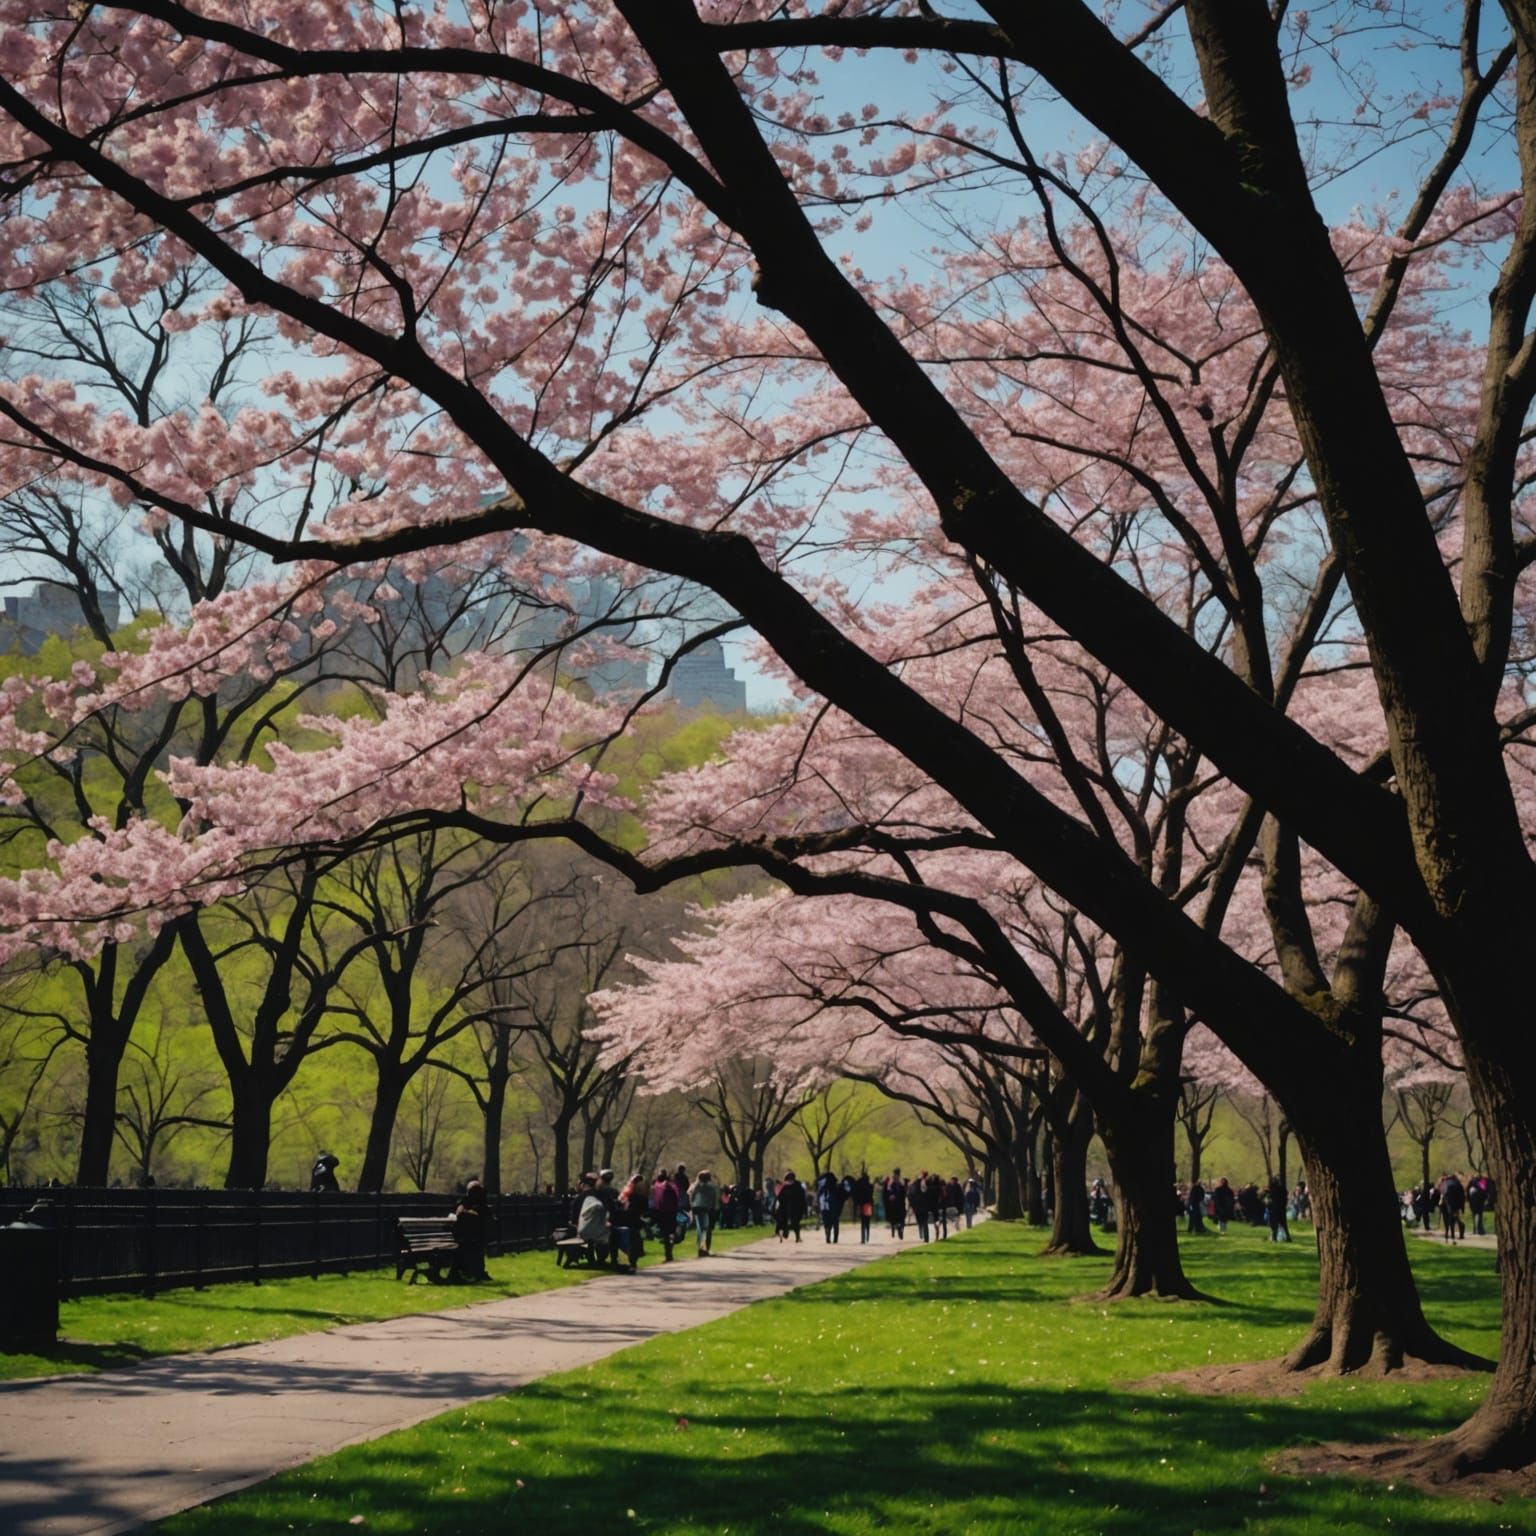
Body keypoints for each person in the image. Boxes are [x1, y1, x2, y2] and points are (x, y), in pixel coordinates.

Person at [452, 1176, 489, 1280]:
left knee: (476, 1245)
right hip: (465, 1237)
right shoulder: (465, 1202)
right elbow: (460, 1213)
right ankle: (473, 1272)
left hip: (472, 1237)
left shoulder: (480, 1204)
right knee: (473, 1246)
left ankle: (476, 1272)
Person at [651, 1166, 681, 1261]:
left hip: (661, 1211)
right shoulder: (672, 1186)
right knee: (669, 1232)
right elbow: (677, 1197)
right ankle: (669, 1251)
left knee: (665, 1233)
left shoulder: (656, 1186)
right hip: (671, 1211)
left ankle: (668, 1253)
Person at [690, 1169, 720, 1256]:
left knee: (699, 1229)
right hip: (705, 1208)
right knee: (706, 1229)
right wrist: (714, 1208)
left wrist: (692, 1206)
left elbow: (692, 1197)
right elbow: (714, 1199)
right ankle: (704, 1249)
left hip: (696, 1208)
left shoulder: (695, 1186)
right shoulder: (711, 1187)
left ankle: (700, 1248)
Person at [776, 1171, 807, 1242]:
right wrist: (804, 1210)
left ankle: (788, 1233)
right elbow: (803, 1199)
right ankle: (797, 1236)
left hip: (787, 1208)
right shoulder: (798, 1186)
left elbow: (779, 1197)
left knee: (787, 1222)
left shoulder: (784, 1187)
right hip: (795, 1208)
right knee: (796, 1223)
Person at [1440, 1172, 1466, 1243]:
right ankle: (1453, 1236)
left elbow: (1441, 1193)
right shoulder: (1457, 1184)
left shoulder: (1444, 1183)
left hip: (1444, 1203)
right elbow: (1462, 1197)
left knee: (1446, 1219)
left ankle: (1446, 1235)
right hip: (1454, 1205)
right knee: (1453, 1220)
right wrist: (1462, 1208)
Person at [852, 1170, 875, 1244]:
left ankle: (863, 1238)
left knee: (863, 1222)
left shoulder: (860, 1185)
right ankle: (867, 1236)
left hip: (862, 1204)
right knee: (867, 1221)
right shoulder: (869, 1186)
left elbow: (855, 1191)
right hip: (868, 1205)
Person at [1265, 1176, 1290, 1242]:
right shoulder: (1283, 1189)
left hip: (1273, 1209)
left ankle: (1274, 1237)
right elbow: (1285, 1198)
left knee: (1273, 1224)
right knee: (1283, 1224)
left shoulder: (1271, 1190)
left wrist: (1268, 1205)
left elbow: (1269, 1200)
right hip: (1281, 1209)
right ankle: (1288, 1237)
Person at [885, 1171, 907, 1239]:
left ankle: (898, 1228)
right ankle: (900, 1228)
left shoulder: (892, 1182)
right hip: (899, 1203)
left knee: (897, 1218)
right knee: (901, 1218)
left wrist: (891, 1196)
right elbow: (904, 1191)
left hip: (896, 1204)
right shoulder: (900, 1182)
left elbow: (888, 1191)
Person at [910, 1170, 932, 1243]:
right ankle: (926, 1237)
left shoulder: (916, 1182)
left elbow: (911, 1193)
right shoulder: (928, 1183)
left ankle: (922, 1235)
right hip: (925, 1205)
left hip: (918, 1205)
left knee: (921, 1221)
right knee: (924, 1221)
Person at [1468, 1172, 1491, 1236]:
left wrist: (1469, 1200)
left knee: (1474, 1215)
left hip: (1472, 1201)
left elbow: (1468, 1191)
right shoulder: (1483, 1181)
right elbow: (1485, 1191)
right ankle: (1480, 1230)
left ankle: (1474, 1229)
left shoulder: (1471, 1182)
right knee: (1480, 1215)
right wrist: (1486, 1199)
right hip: (1480, 1201)